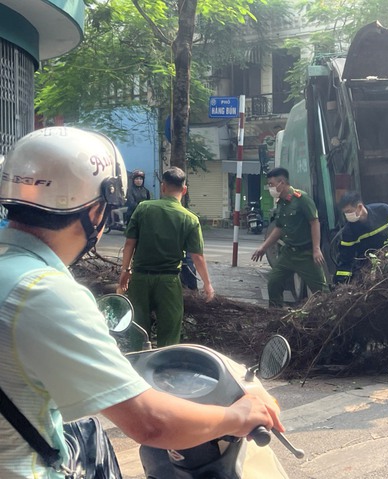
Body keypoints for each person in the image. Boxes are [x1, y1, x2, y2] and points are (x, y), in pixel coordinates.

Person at [0, 127, 282, 478]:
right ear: (96, 212)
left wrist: (123, 277)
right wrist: (239, 416)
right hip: (22, 468)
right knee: (169, 341)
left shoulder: (13, 270)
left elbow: (129, 248)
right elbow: (150, 423)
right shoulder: (45, 292)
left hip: (140, 281)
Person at [119, 167, 215, 349]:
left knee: (137, 329)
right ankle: (163, 369)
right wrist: (207, 285)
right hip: (168, 282)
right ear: (184, 190)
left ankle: (137, 366)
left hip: (140, 279)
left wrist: (125, 271)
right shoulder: (190, 219)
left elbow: (129, 244)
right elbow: (197, 256)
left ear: (163, 187)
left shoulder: (143, 208)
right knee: (169, 333)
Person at [251, 167, 329, 307]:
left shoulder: (302, 199)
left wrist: (316, 249)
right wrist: (264, 247)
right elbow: (279, 228)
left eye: (271, 184)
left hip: (306, 254)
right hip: (288, 254)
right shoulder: (281, 203)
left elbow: (314, 222)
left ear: (281, 183)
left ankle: (330, 319)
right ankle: (276, 316)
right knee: (274, 283)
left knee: (321, 292)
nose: (270, 188)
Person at [334, 191, 388, 283]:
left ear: (359, 207)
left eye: (349, 211)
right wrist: (340, 282)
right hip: (367, 269)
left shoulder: (384, 211)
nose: (347, 216)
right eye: (345, 213)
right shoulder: (349, 232)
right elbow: (346, 259)